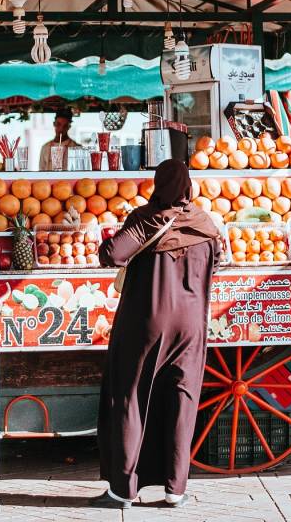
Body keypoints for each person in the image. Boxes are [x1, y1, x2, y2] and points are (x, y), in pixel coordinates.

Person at [91, 159, 221, 510]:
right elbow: (217, 261)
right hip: (192, 324)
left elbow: (113, 255)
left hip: (146, 322)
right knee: (182, 398)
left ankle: (123, 489)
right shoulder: (206, 223)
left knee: (131, 395)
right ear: (189, 187)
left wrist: (104, 238)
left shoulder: (147, 217)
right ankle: (175, 489)